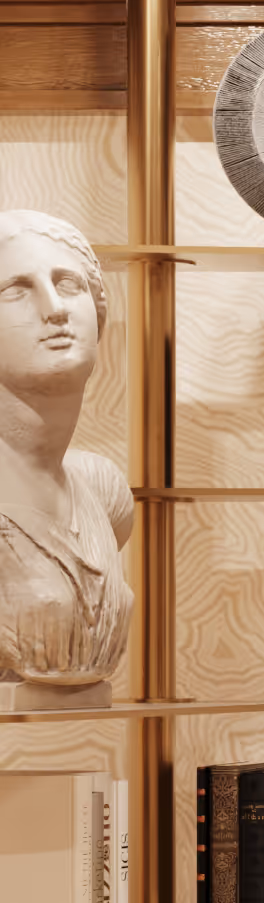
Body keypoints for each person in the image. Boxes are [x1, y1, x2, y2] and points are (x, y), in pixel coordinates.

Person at [0, 212, 134, 707]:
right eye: (16, 289)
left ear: (99, 315)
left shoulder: (103, 490)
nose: (54, 308)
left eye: (69, 284)